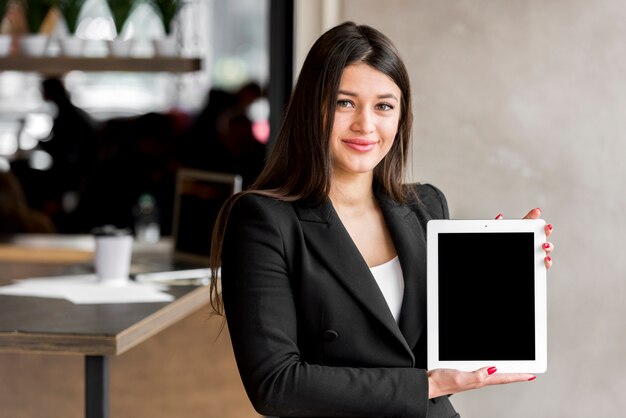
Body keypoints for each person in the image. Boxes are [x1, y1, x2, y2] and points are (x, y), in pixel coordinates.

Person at [209, 22, 554, 418]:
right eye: (344, 103)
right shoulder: (262, 220)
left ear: (401, 115)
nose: (365, 125)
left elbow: (441, 350)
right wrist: (427, 386)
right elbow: (276, 385)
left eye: (384, 106)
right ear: (311, 108)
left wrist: (499, 274)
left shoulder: (425, 206)